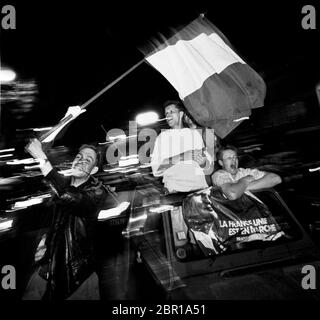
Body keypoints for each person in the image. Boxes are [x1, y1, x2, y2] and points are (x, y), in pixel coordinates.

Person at [22, 139, 107, 300]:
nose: (81, 161)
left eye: (87, 160)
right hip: (47, 267)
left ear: (94, 170)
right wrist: (45, 240)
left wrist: (41, 156)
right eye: (79, 157)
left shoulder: (96, 192)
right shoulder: (63, 185)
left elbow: (69, 197)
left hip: (76, 277)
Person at [150, 100, 213, 193]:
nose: (168, 116)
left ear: (181, 114)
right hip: (176, 192)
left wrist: (203, 162)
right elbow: (156, 170)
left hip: (200, 189)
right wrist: (182, 156)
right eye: (166, 113)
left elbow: (208, 165)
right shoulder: (162, 137)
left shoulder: (195, 134)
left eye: (172, 112)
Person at [212, 145, 282, 200]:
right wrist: (244, 180)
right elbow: (232, 194)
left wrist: (242, 188)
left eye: (235, 157)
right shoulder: (219, 175)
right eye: (229, 158)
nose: (234, 160)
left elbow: (275, 178)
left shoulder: (243, 172)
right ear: (221, 163)